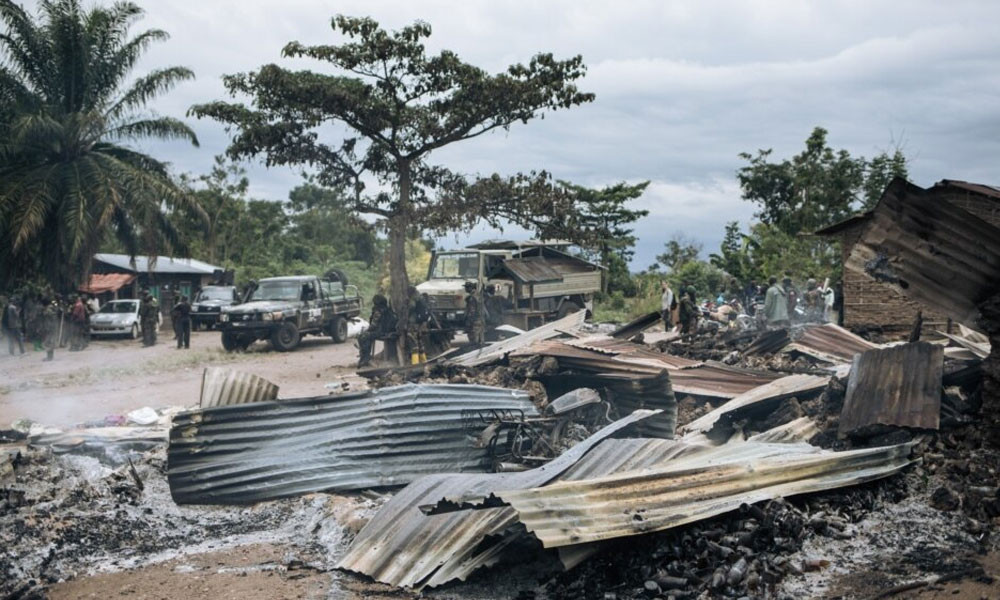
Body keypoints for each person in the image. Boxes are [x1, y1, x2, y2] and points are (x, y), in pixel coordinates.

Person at [358, 294, 396, 367]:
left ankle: (366, 357)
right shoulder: (386, 309)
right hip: (385, 331)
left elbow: (373, 325)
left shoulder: (378, 311)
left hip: (381, 332)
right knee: (367, 336)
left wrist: (366, 331)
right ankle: (365, 357)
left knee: (363, 336)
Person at [406, 285, 429, 364]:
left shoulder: (413, 298)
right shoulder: (420, 297)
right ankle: (424, 361)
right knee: (419, 342)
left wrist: (407, 312)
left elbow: (411, 306)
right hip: (420, 323)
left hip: (414, 323)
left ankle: (415, 363)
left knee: (413, 341)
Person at [463, 280, 485, 346]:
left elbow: (472, 311)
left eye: (466, 287)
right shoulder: (478, 295)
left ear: (470, 288)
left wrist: (468, 321)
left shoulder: (472, 298)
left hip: (475, 320)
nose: (465, 289)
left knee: (474, 340)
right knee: (481, 339)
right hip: (481, 319)